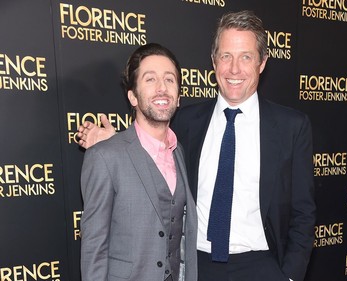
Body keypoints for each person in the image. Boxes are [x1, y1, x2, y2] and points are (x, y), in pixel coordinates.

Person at [78, 10, 316, 281]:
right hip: (197, 266)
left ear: (262, 62)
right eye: (226, 56)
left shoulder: (291, 127)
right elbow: (150, 143)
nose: (234, 69)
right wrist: (114, 142)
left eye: (246, 57)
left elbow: (303, 213)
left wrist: (290, 276)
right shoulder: (187, 122)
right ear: (214, 62)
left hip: (262, 265)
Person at [80, 43, 198, 281]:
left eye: (169, 79)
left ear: (178, 98)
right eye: (150, 79)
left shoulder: (180, 152)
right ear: (133, 96)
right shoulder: (104, 157)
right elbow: (94, 247)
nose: (162, 88)